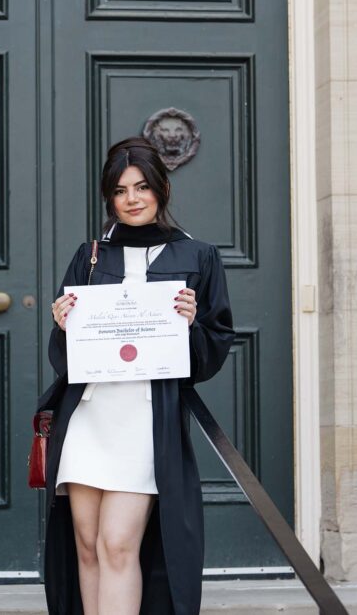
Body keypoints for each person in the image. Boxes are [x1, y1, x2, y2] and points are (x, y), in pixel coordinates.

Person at [37, 137, 235, 615]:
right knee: (87, 546)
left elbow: (211, 352)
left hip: (145, 421)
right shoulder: (90, 257)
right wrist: (64, 325)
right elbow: (65, 359)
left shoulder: (199, 257)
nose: (132, 198)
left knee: (118, 544)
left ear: (162, 188)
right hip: (88, 416)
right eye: (121, 190)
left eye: (142, 186)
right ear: (110, 197)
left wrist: (189, 325)